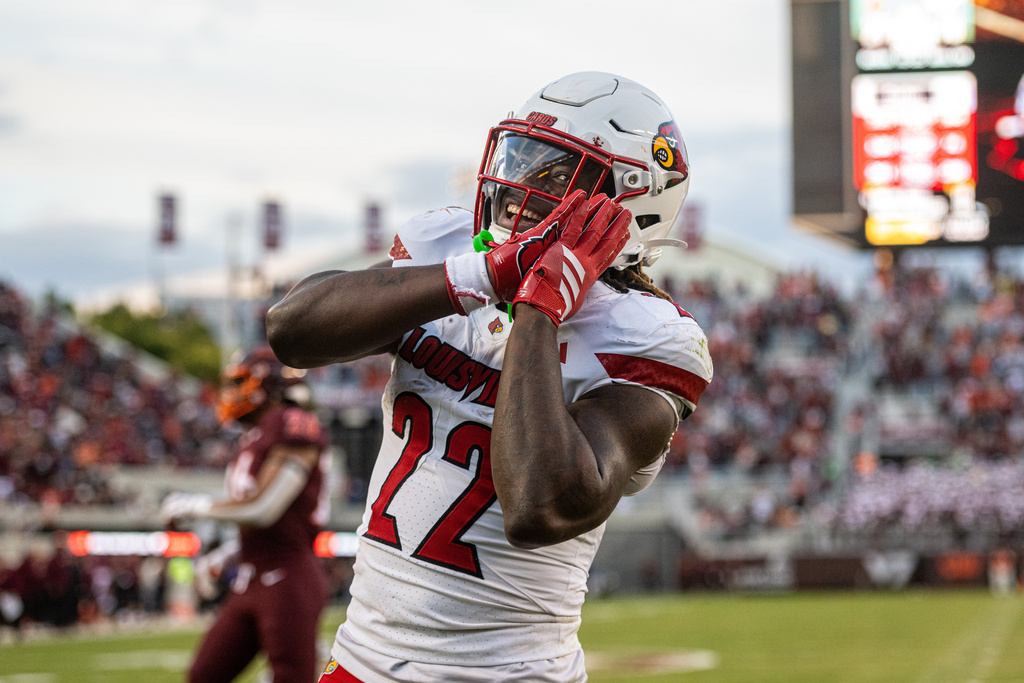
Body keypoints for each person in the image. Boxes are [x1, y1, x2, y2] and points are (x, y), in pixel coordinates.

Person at [267, 71, 714, 683]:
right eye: (522, 159)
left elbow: (540, 505)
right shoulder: (458, 251)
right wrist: (476, 277)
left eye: (554, 174)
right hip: (361, 663)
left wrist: (539, 306)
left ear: (628, 198)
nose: (517, 188)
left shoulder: (644, 334)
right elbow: (291, 330)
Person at [160, 346, 332, 683]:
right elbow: (261, 524)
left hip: (288, 577)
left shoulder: (292, 424)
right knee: (204, 674)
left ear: (264, 385)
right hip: (250, 577)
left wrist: (194, 506)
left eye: (240, 383)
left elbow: (264, 509)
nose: (231, 393)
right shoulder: (255, 437)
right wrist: (226, 556)